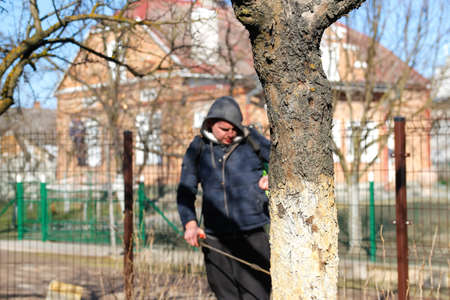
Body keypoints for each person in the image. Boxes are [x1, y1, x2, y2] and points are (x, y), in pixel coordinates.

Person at [177, 96, 271, 300]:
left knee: (257, 296)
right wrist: (190, 224)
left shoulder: (252, 140)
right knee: (225, 296)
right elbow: (185, 190)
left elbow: (283, 161)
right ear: (210, 124)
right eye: (224, 129)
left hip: (253, 235)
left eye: (234, 129)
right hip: (215, 239)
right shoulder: (198, 148)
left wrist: (272, 177)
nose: (230, 134)